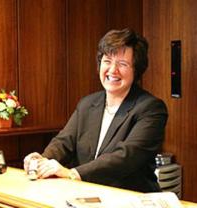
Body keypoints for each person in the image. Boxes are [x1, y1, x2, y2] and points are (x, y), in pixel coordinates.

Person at [24, 28, 168, 193]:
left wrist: (72, 173)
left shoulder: (151, 108)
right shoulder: (87, 104)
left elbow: (126, 157)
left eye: (122, 64)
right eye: (107, 61)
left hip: (130, 199)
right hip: (88, 196)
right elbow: (64, 142)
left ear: (136, 71)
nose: (112, 70)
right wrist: (42, 160)